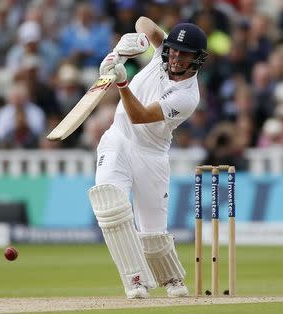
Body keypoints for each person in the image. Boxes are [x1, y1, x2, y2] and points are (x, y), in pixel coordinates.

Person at [88, 17, 208, 299]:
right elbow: (145, 23)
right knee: (109, 204)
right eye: (173, 50)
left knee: (153, 233)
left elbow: (139, 116)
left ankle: (171, 278)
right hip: (117, 139)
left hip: (151, 154)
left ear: (197, 59)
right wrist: (136, 40)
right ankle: (135, 280)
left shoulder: (187, 96)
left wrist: (122, 82)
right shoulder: (161, 54)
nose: (176, 57)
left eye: (184, 53)